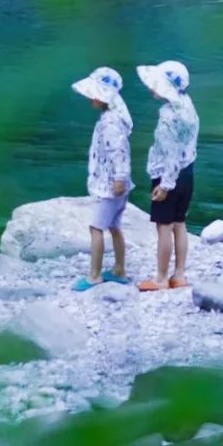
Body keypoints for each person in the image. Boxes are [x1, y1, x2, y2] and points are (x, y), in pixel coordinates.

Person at [136, 60, 199, 292]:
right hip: (187, 173)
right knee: (180, 223)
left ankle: (161, 278)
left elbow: (171, 153)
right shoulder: (188, 105)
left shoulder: (167, 117)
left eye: (158, 84)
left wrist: (165, 185)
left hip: (168, 175)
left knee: (164, 227)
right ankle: (179, 274)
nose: (153, 87)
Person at [70, 66, 134, 291]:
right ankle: (119, 269)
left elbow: (118, 152)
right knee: (115, 227)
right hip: (118, 185)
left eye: (93, 95)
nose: (90, 100)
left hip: (110, 187)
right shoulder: (116, 116)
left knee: (96, 229)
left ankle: (94, 275)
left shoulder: (109, 123)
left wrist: (119, 179)